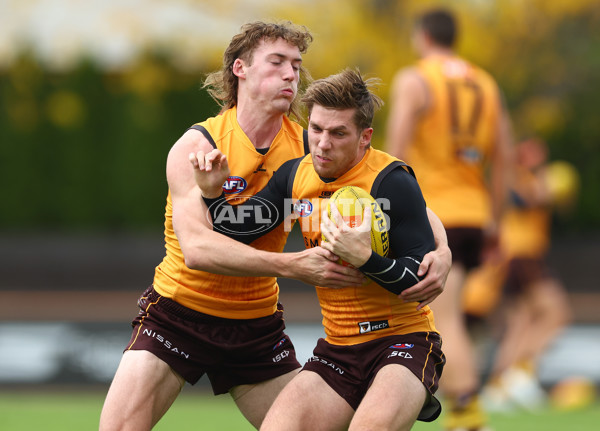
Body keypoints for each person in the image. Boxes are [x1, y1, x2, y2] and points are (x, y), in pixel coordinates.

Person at [100, 21, 450, 431]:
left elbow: (401, 197)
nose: (291, 74)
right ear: (240, 69)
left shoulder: (310, 146)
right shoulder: (200, 146)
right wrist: (293, 265)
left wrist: (441, 250)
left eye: (297, 65)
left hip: (256, 322)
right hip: (181, 313)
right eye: (278, 62)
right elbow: (198, 249)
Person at [192, 68, 447, 431]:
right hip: (338, 350)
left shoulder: (392, 181)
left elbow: (418, 284)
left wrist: (366, 258)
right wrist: (211, 193)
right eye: (316, 130)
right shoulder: (295, 176)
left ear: (365, 137)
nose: (323, 144)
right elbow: (238, 230)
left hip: (402, 343)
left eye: (338, 132)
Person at [384, 8, 514, 431]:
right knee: (444, 313)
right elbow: (505, 158)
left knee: (446, 318)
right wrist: (495, 219)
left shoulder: (415, 79)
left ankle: (467, 412)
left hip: (434, 214)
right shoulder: (486, 83)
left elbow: (395, 153)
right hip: (475, 214)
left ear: (422, 36)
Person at [467, 138, 572, 412]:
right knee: (556, 312)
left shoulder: (521, 175)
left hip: (513, 257)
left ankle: (499, 387)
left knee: (520, 323)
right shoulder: (514, 176)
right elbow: (527, 198)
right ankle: (522, 373)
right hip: (522, 255)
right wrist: (549, 188)